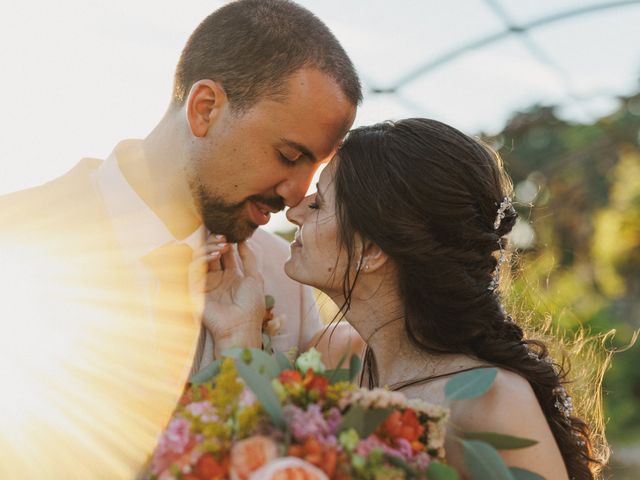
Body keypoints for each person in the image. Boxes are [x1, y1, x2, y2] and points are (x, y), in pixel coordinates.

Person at [0, 1, 360, 477]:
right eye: (289, 155)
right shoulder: (17, 239)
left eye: (315, 172)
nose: (297, 196)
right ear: (205, 108)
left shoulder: (284, 274)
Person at [199, 118, 607, 479]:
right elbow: (250, 452)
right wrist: (239, 332)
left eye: (320, 201)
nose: (294, 212)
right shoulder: (332, 357)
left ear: (373, 249)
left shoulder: (493, 401)